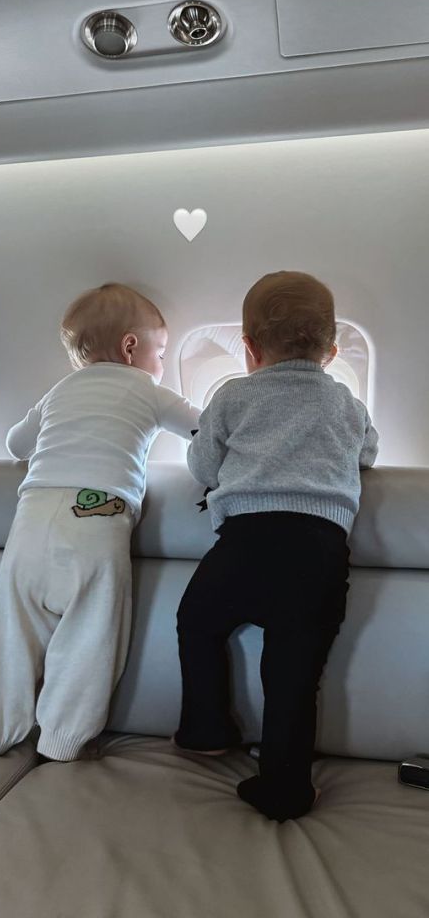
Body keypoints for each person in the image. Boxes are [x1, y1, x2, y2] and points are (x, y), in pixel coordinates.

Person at [173, 271, 378, 822]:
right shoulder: (347, 403)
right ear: (332, 351)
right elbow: (368, 454)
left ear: (248, 348)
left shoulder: (234, 395)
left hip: (246, 542)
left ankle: (207, 729)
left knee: (196, 623)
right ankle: (287, 787)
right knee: (292, 677)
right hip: (318, 551)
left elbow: (201, 466)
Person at [0, 283, 200, 762]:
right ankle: (62, 738)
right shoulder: (148, 388)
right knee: (91, 634)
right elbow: (206, 429)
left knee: (9, 630)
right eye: (161, 351)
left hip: (32, 516)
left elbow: (16, 443)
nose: (161, 362)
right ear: (131, 347)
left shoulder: (59, 390)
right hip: (98, 517)